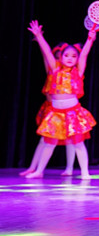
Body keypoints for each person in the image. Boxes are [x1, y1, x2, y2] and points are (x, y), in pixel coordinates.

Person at [26, 20, 96, 179]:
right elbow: (47, 53)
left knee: (78, 143)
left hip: (73, 112)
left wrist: (90, 40)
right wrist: (39, 36)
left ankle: (85, 172)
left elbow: (85, 54)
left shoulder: (78, 71)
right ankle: (39, 171)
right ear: (61, 57)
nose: (70, 58)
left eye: (74, 56)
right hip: (56, 112)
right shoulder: (55, 69)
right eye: (66, 55)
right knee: (49, 143)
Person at [20, 43, 76, 176]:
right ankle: (34, 168)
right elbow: (46, 55)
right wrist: (40, 40)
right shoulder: (52, 70)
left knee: (71, 138)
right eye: (57, 57)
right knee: (45, 140)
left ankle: (69, 168)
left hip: (66, 108)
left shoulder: (71, 73)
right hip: (52, 108)